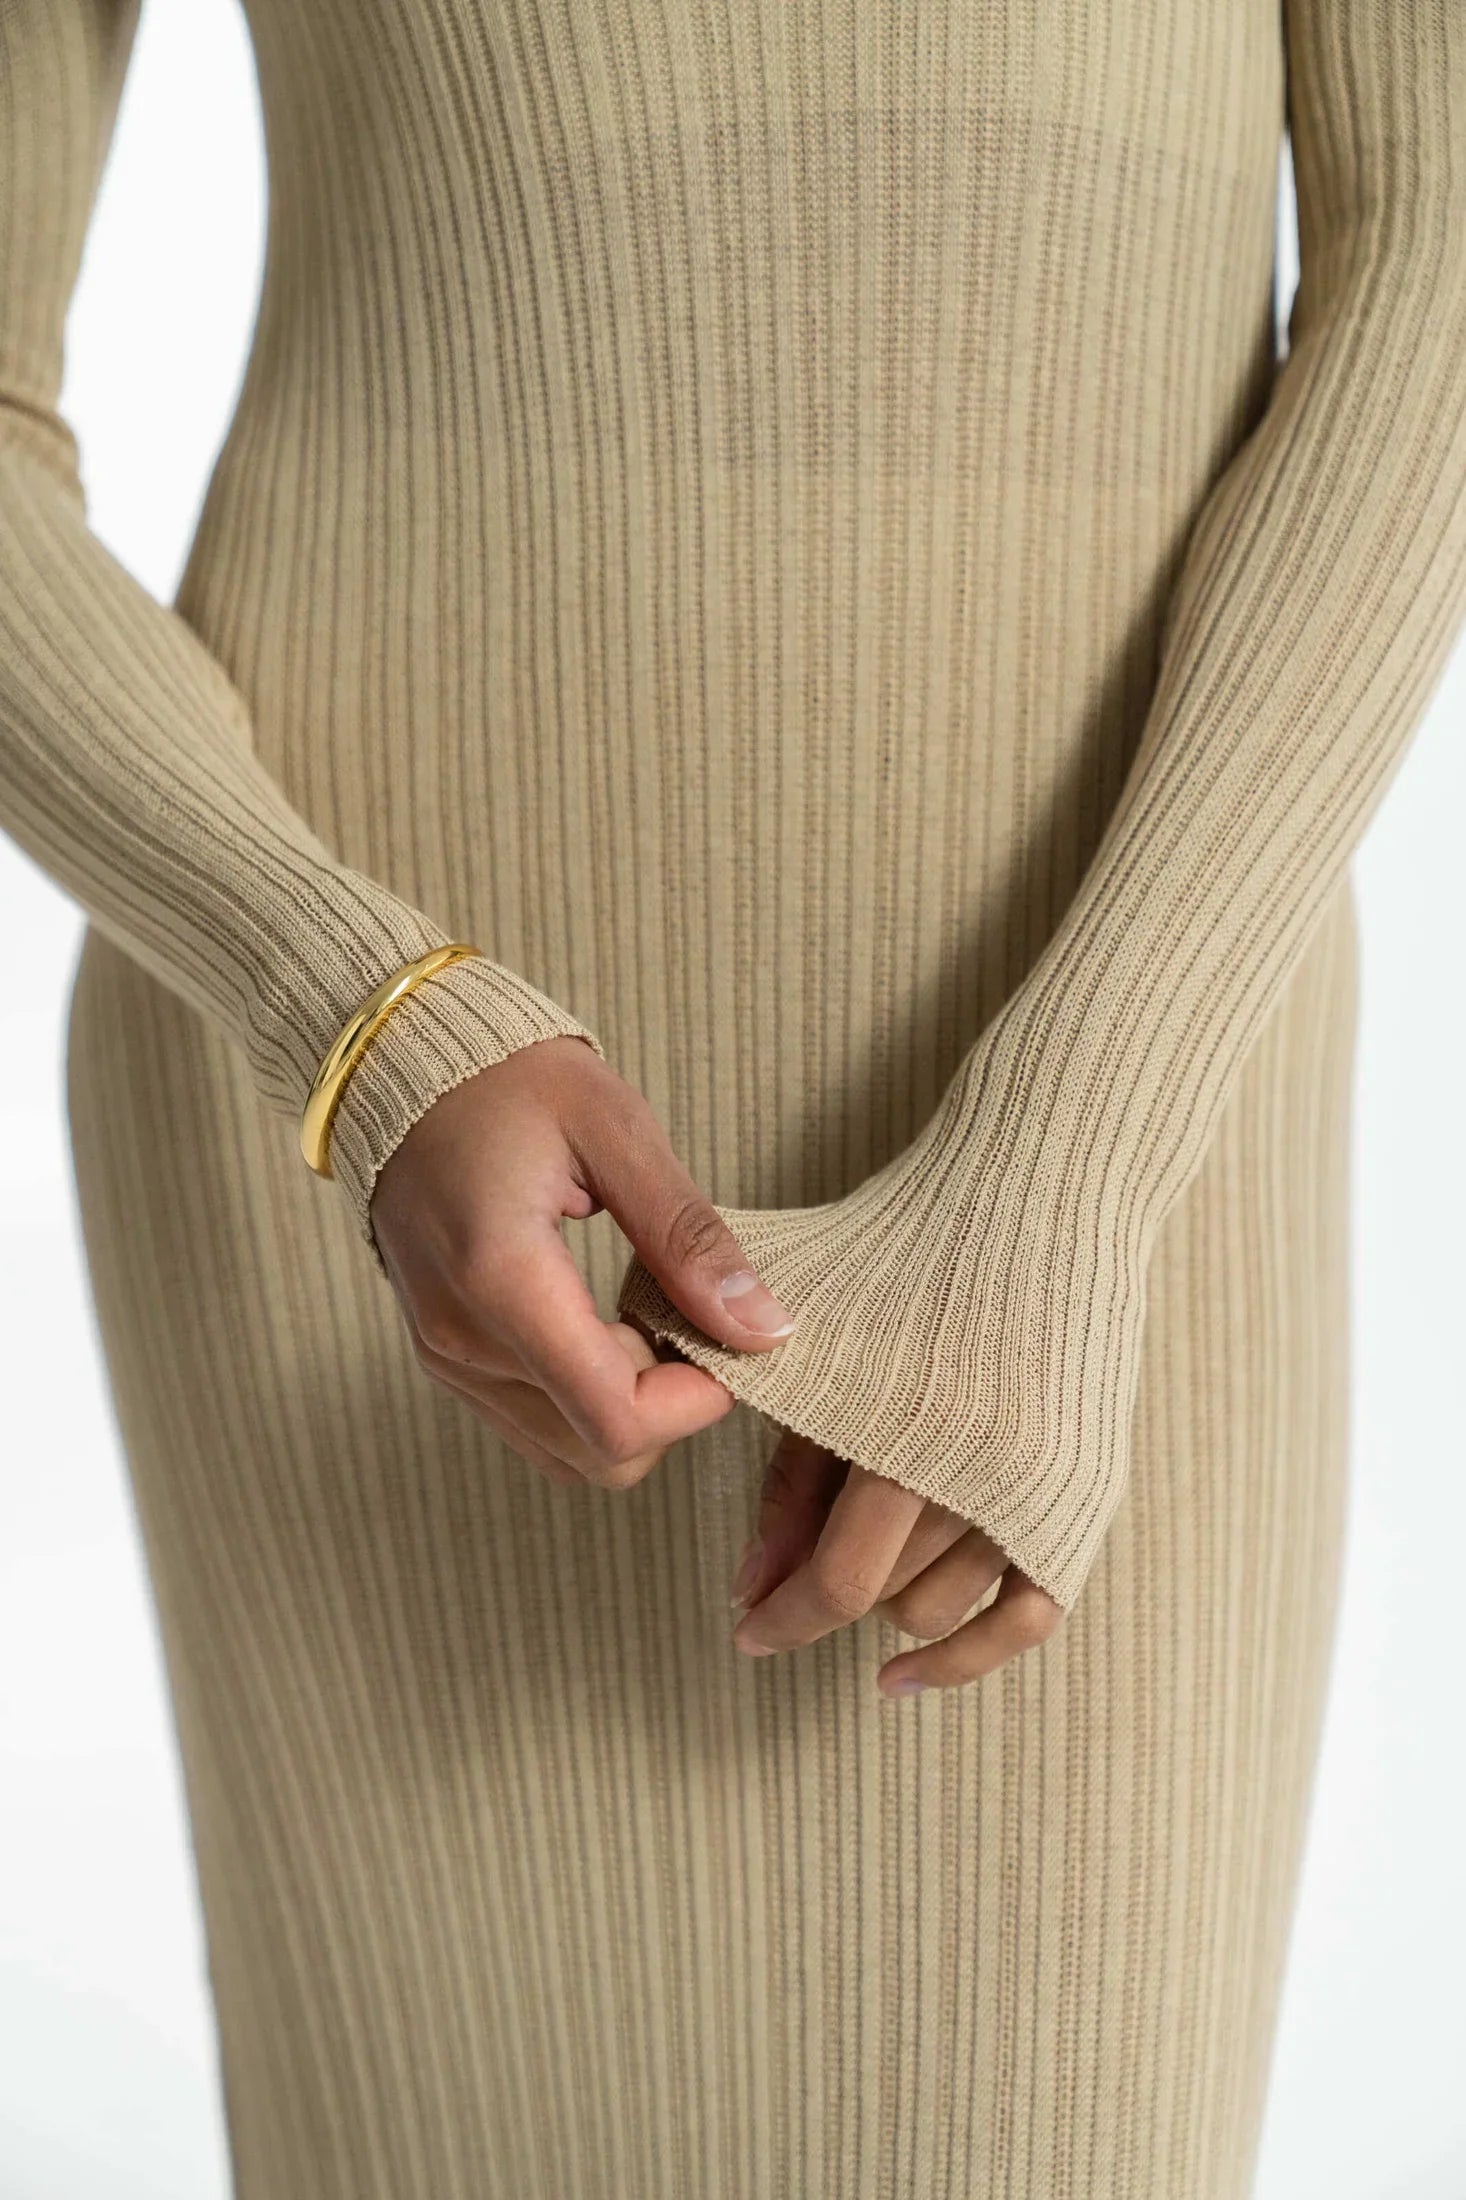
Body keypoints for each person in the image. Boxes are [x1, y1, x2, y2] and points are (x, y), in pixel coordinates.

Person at [2, 0, 1463, 2192]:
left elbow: (1428, 274)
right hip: (383, 1164)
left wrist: (1069, 1156)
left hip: (1137, 1135)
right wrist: (357, 1004)